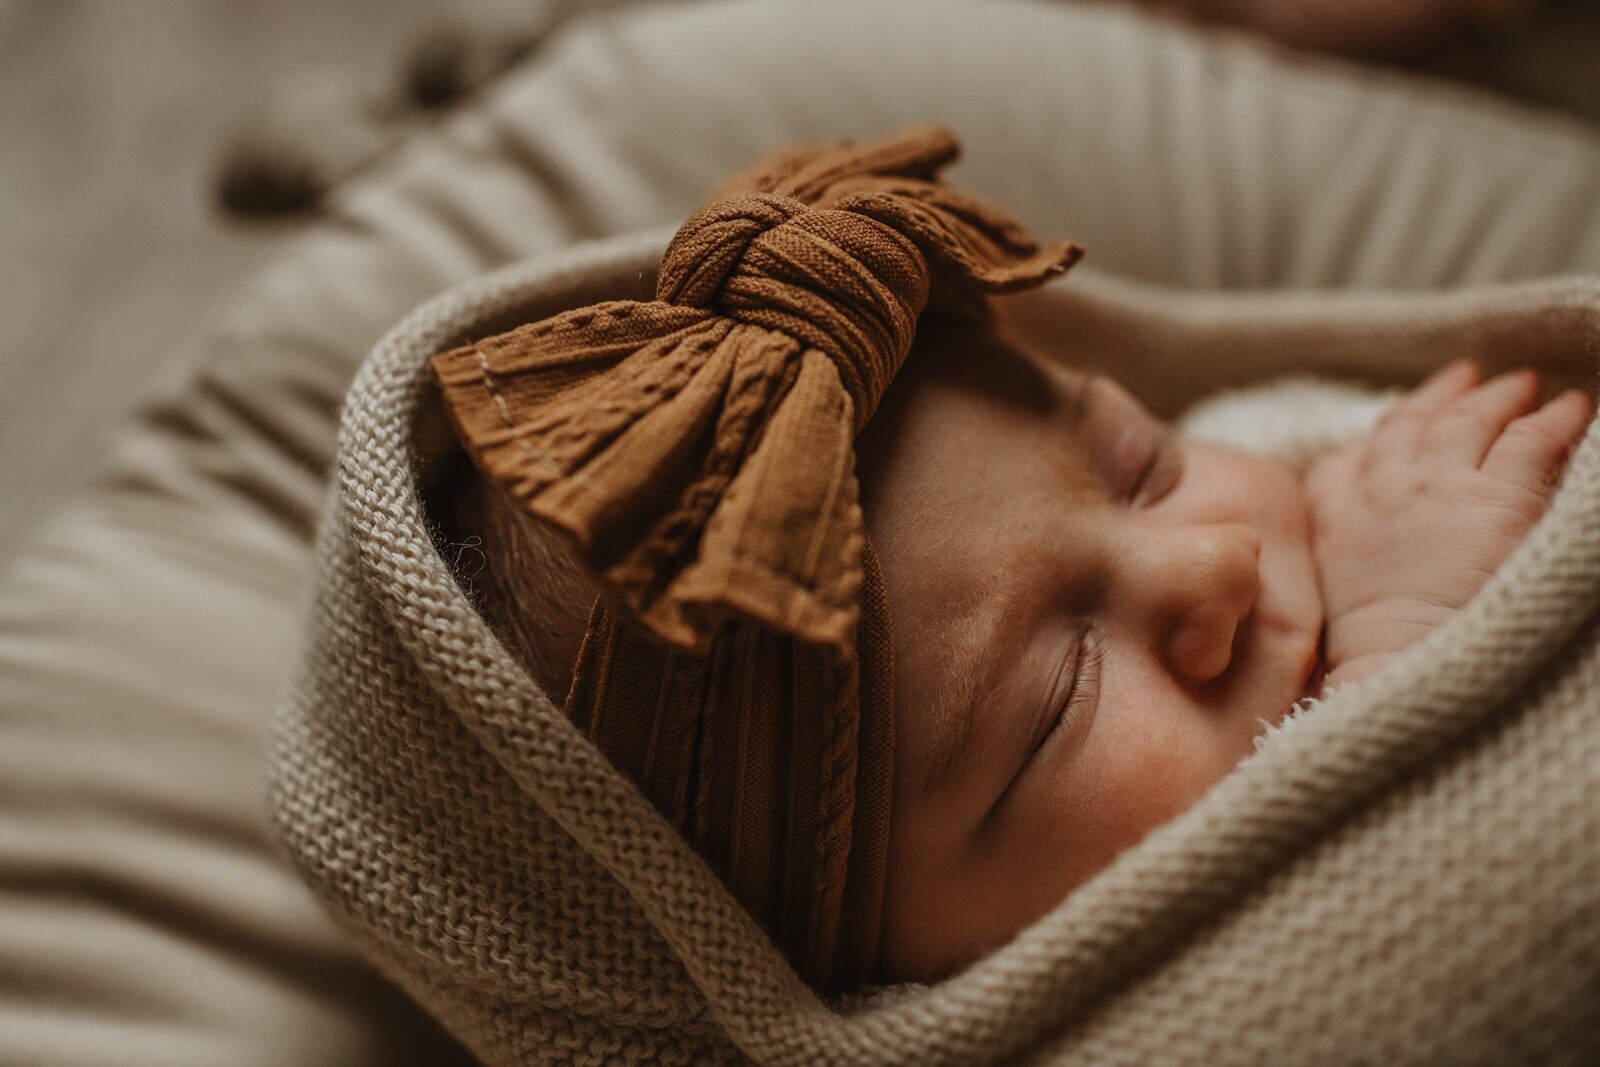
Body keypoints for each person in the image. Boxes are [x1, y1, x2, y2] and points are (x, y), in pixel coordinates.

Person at [424, 126, 1591, 992]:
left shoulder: (1306, 459)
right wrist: (1414, 658)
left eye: (1142, 463)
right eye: (1055, 699)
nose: (1213, 564)